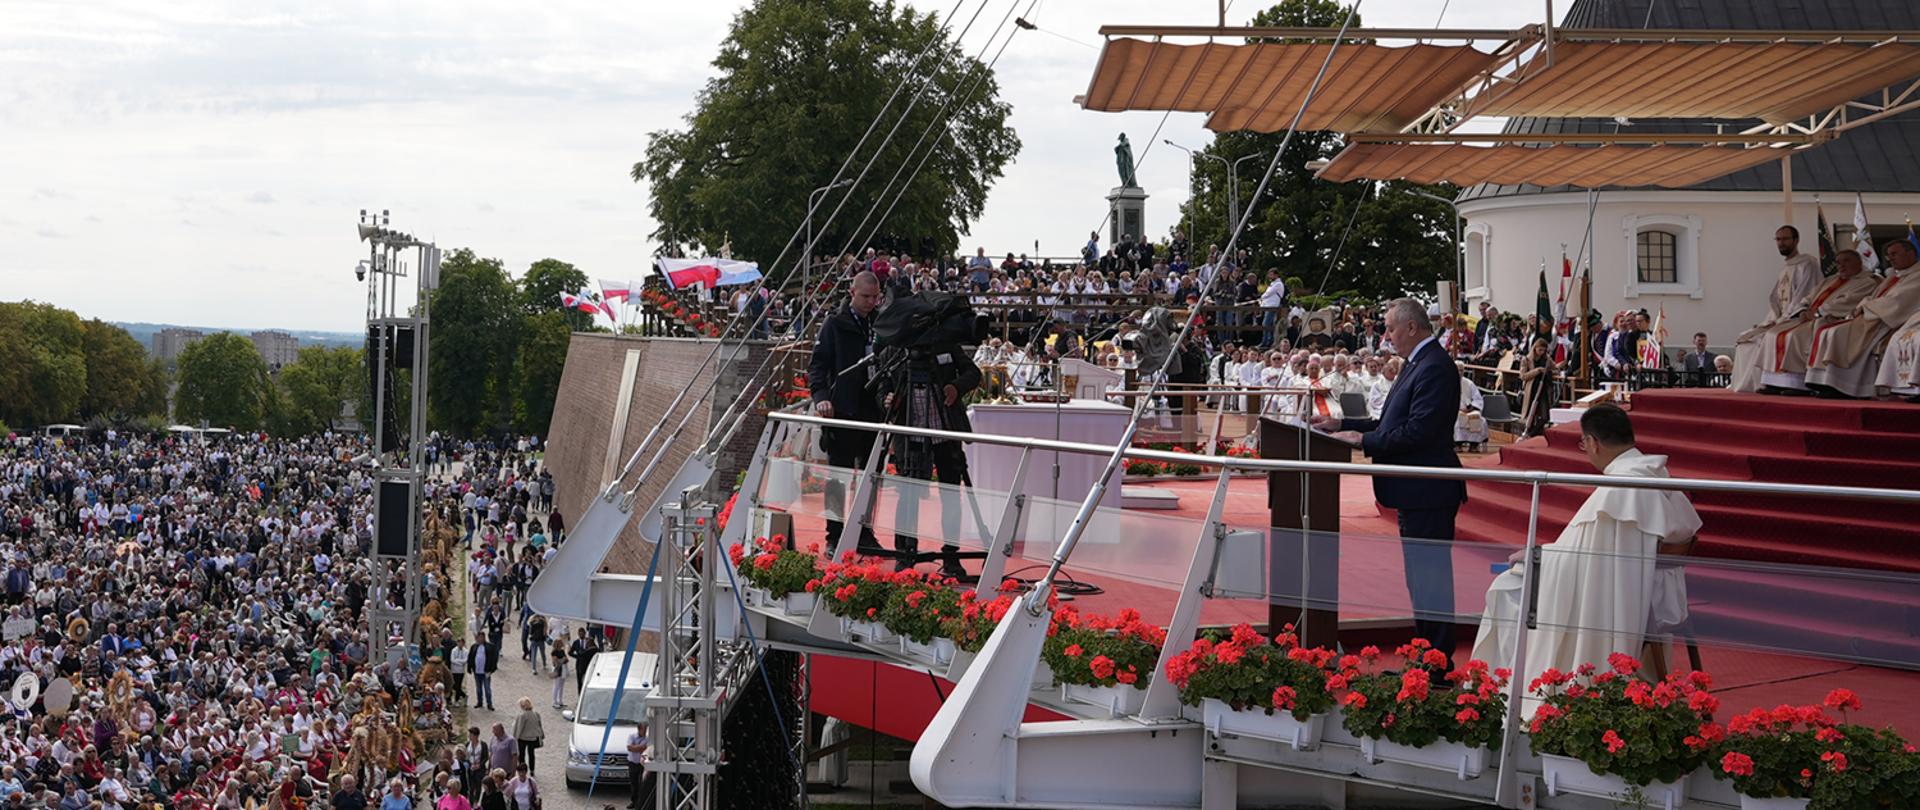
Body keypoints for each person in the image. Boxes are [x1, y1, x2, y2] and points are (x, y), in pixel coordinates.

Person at [1471, 405, 1701, 710]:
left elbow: (1584, 560)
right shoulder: (1655, 473)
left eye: (1583, 444)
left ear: (1593, 442)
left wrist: (1537, 556)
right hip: (1653, 593)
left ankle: (1503, 695)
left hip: (1624, 597)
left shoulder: (1621, 488)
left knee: (1505, 588)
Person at [1315, 298, 1466, 665]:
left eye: (1391, 328)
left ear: (1412, 328)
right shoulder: (1417, 363)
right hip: (1412, 489)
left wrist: (1364, 441)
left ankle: (1438, 662)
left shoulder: (1434, 367)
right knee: (1420, 581)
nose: (1387, 335)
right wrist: (1346, 426)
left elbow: (1418, 432)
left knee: (1431, 582)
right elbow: (1390, 423)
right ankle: (1426, 656)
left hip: (1427, 490)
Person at [874, 301, 982, 579]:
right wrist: (887, 399)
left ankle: (951, 557)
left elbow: (974, 373)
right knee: (908, 493)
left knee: (951, 494)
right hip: (909, 431)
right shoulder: (894, 351)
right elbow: (880, 387)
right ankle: (904, 553)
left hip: (944, 429)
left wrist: (955, 387)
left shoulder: (945, 344)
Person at [808, 271, 886, 555]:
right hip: (842, 412)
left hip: (872, 411)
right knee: (837, 478)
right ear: (852, 293)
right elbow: (818, 366)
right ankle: (834, 536)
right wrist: (821, 398)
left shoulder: (880, 322)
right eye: (866, 297)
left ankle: (865, 532)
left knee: (870, 477)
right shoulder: (834, 323)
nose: (871, 302)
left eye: (875, 297)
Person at [1751, 249, 1879, 394]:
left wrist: (1817, 312)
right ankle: (1775, 382)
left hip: (1830, 319)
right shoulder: (1830, 280)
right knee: (1773, 333)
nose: (1841, 265)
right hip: (1808, 317)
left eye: (1846, 261)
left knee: (1795, 336)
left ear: (1859, 262)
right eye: (1838, 262)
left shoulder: (1867, 282)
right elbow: (1808, 297)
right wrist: (1803, 310)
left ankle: (1798, 384)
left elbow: (1846, 302)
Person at [1806, 239, 1920, 398]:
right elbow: (1874, 296)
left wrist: (1865, 307)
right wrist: (1864, 305)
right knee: (1827, 331)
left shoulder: (1917, 276)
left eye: (1895, 254)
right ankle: (1827, 381)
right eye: (1888, 256)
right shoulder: (1893, 276)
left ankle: (1847, 386)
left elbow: (1898, 302)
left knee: (1837, 333)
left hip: (1884, 321)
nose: (1891, 258)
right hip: (1873, 316)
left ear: (1911, 253)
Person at [1729, 226, 1824, 392]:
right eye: (1778, 239)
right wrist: (1769, 321)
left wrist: (1782, 319)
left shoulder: (1807, 264)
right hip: (1781, 318)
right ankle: (1758, 383)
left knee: (1766, 338)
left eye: (1785, 239)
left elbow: (1805, 295)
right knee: (1745, 340)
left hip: (1798, 318)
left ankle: (1778, 383)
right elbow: (1775, 300)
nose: (1781, 243)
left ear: (1796, 240)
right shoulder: (1786, 268)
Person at [1452, 360, 1488, 451]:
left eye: (1461, 370)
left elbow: (1478, 399)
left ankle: (1474, 445)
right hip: (1455, 410)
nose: (1459, 372)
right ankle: (1457, 445)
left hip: (1469, 409)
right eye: (1457, 370)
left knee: (1479, 419)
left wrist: (1471, 408)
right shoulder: (1447, 382)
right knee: (1457, 419)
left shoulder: (1469, 383)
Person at [511, 698, 544, 770]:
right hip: (533, 738)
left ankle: (522, 770)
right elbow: (539, 725)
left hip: (523, 738)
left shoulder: (522, 715)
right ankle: (532, 769)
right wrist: (541, 735)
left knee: (522, 755)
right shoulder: (536, 714)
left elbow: (519, 728)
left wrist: (514, 738)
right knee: (531, 754)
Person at [626, 723, 651, 810]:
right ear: (639, 729)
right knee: (633, 783)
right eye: (644, 729)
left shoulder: (648, 738)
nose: (645, 731)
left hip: (642, 764)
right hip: (632, 763)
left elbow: (646, 748)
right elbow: (629, 748)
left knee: (642, 783)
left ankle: (640, 803)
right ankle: (634, 801)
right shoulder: (631, 736)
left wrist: (636, 748)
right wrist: (640, 748)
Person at [548, 638, 569, 709]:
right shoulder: (554, 652)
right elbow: (554, 662)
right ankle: (554, 701)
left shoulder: (562, 651)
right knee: (556, 686)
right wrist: (562, 660)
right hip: (558, 669)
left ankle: (560, 700)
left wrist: (562, 660)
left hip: (563, 668)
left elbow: (566, 659)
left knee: (561, 686)